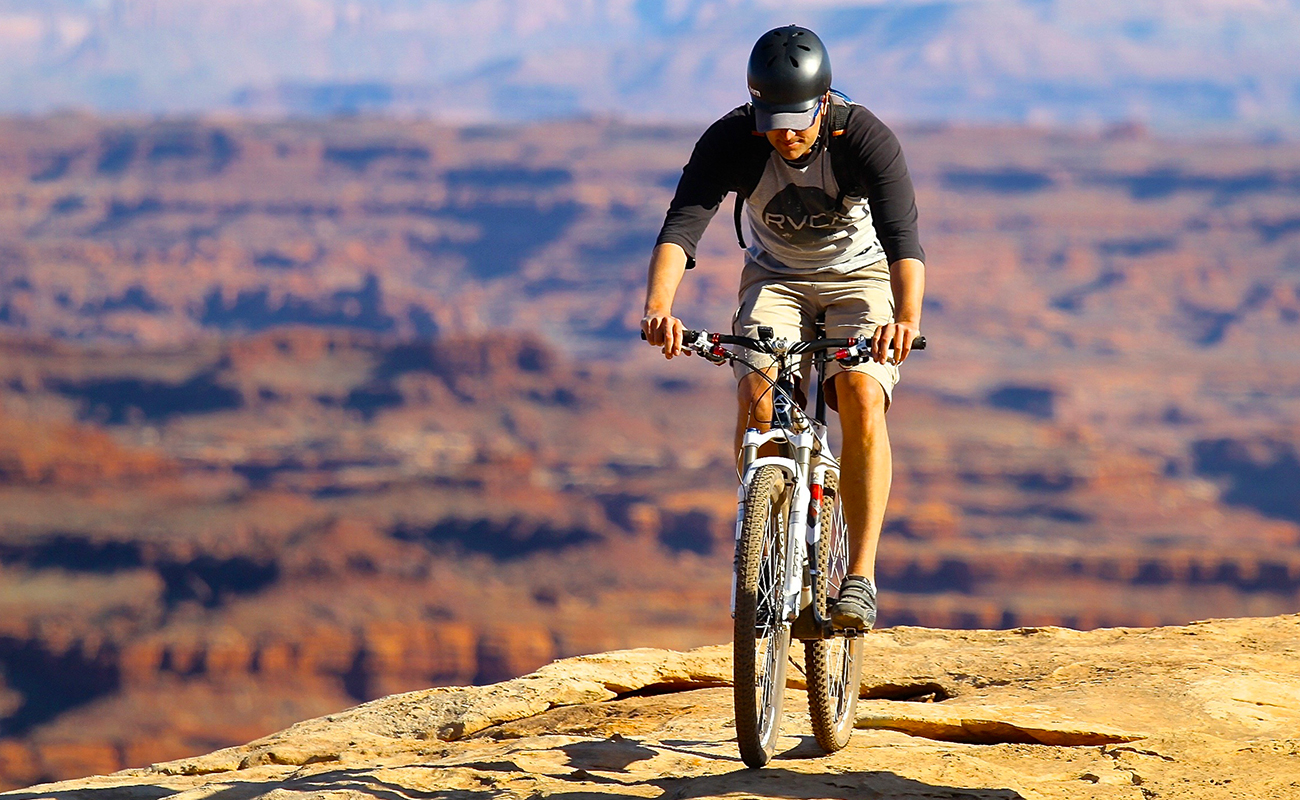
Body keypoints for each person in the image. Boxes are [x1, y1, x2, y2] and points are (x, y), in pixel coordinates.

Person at [640, 24, 926, 630]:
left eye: (798, 118)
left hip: (860, 278)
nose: (786, 133)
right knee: (757, 395)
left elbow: (904, 242)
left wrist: (904, 321)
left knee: (859, 395)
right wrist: (658, 308)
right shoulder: (731, 139)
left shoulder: (864, 138)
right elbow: (681, 229)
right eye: (773, 119)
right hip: (775, 279)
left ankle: (860, 578)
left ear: (823, 102)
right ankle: (764, 534)